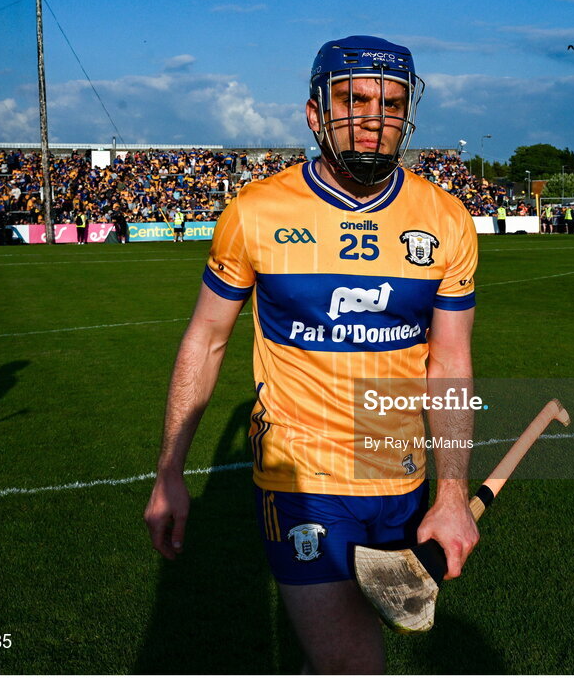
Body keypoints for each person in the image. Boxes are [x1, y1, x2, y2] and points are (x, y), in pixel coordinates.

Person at [143, 35, 479, 674]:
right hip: (302, 481)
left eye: (390, 102)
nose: (373, 120)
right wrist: (170, 472)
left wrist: (453, 490)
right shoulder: (255, 213)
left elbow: (451, 362)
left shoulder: (446, 218)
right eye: (354, 99)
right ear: (314, 113)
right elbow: (206, 339)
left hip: (403, 477)